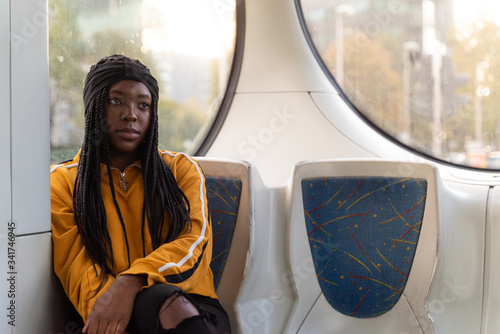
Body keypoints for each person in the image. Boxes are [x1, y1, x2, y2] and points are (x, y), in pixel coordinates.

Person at [51, 54, 231, 334]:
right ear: (92, 108)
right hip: (106, 312)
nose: (131, 114)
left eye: (143, 105)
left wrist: (132, 281)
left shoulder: (181, 170)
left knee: (169, 303)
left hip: (194, 308)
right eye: (116, 100)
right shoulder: (62, 183)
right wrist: (115, 303)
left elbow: (193, 244)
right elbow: (76, 268)